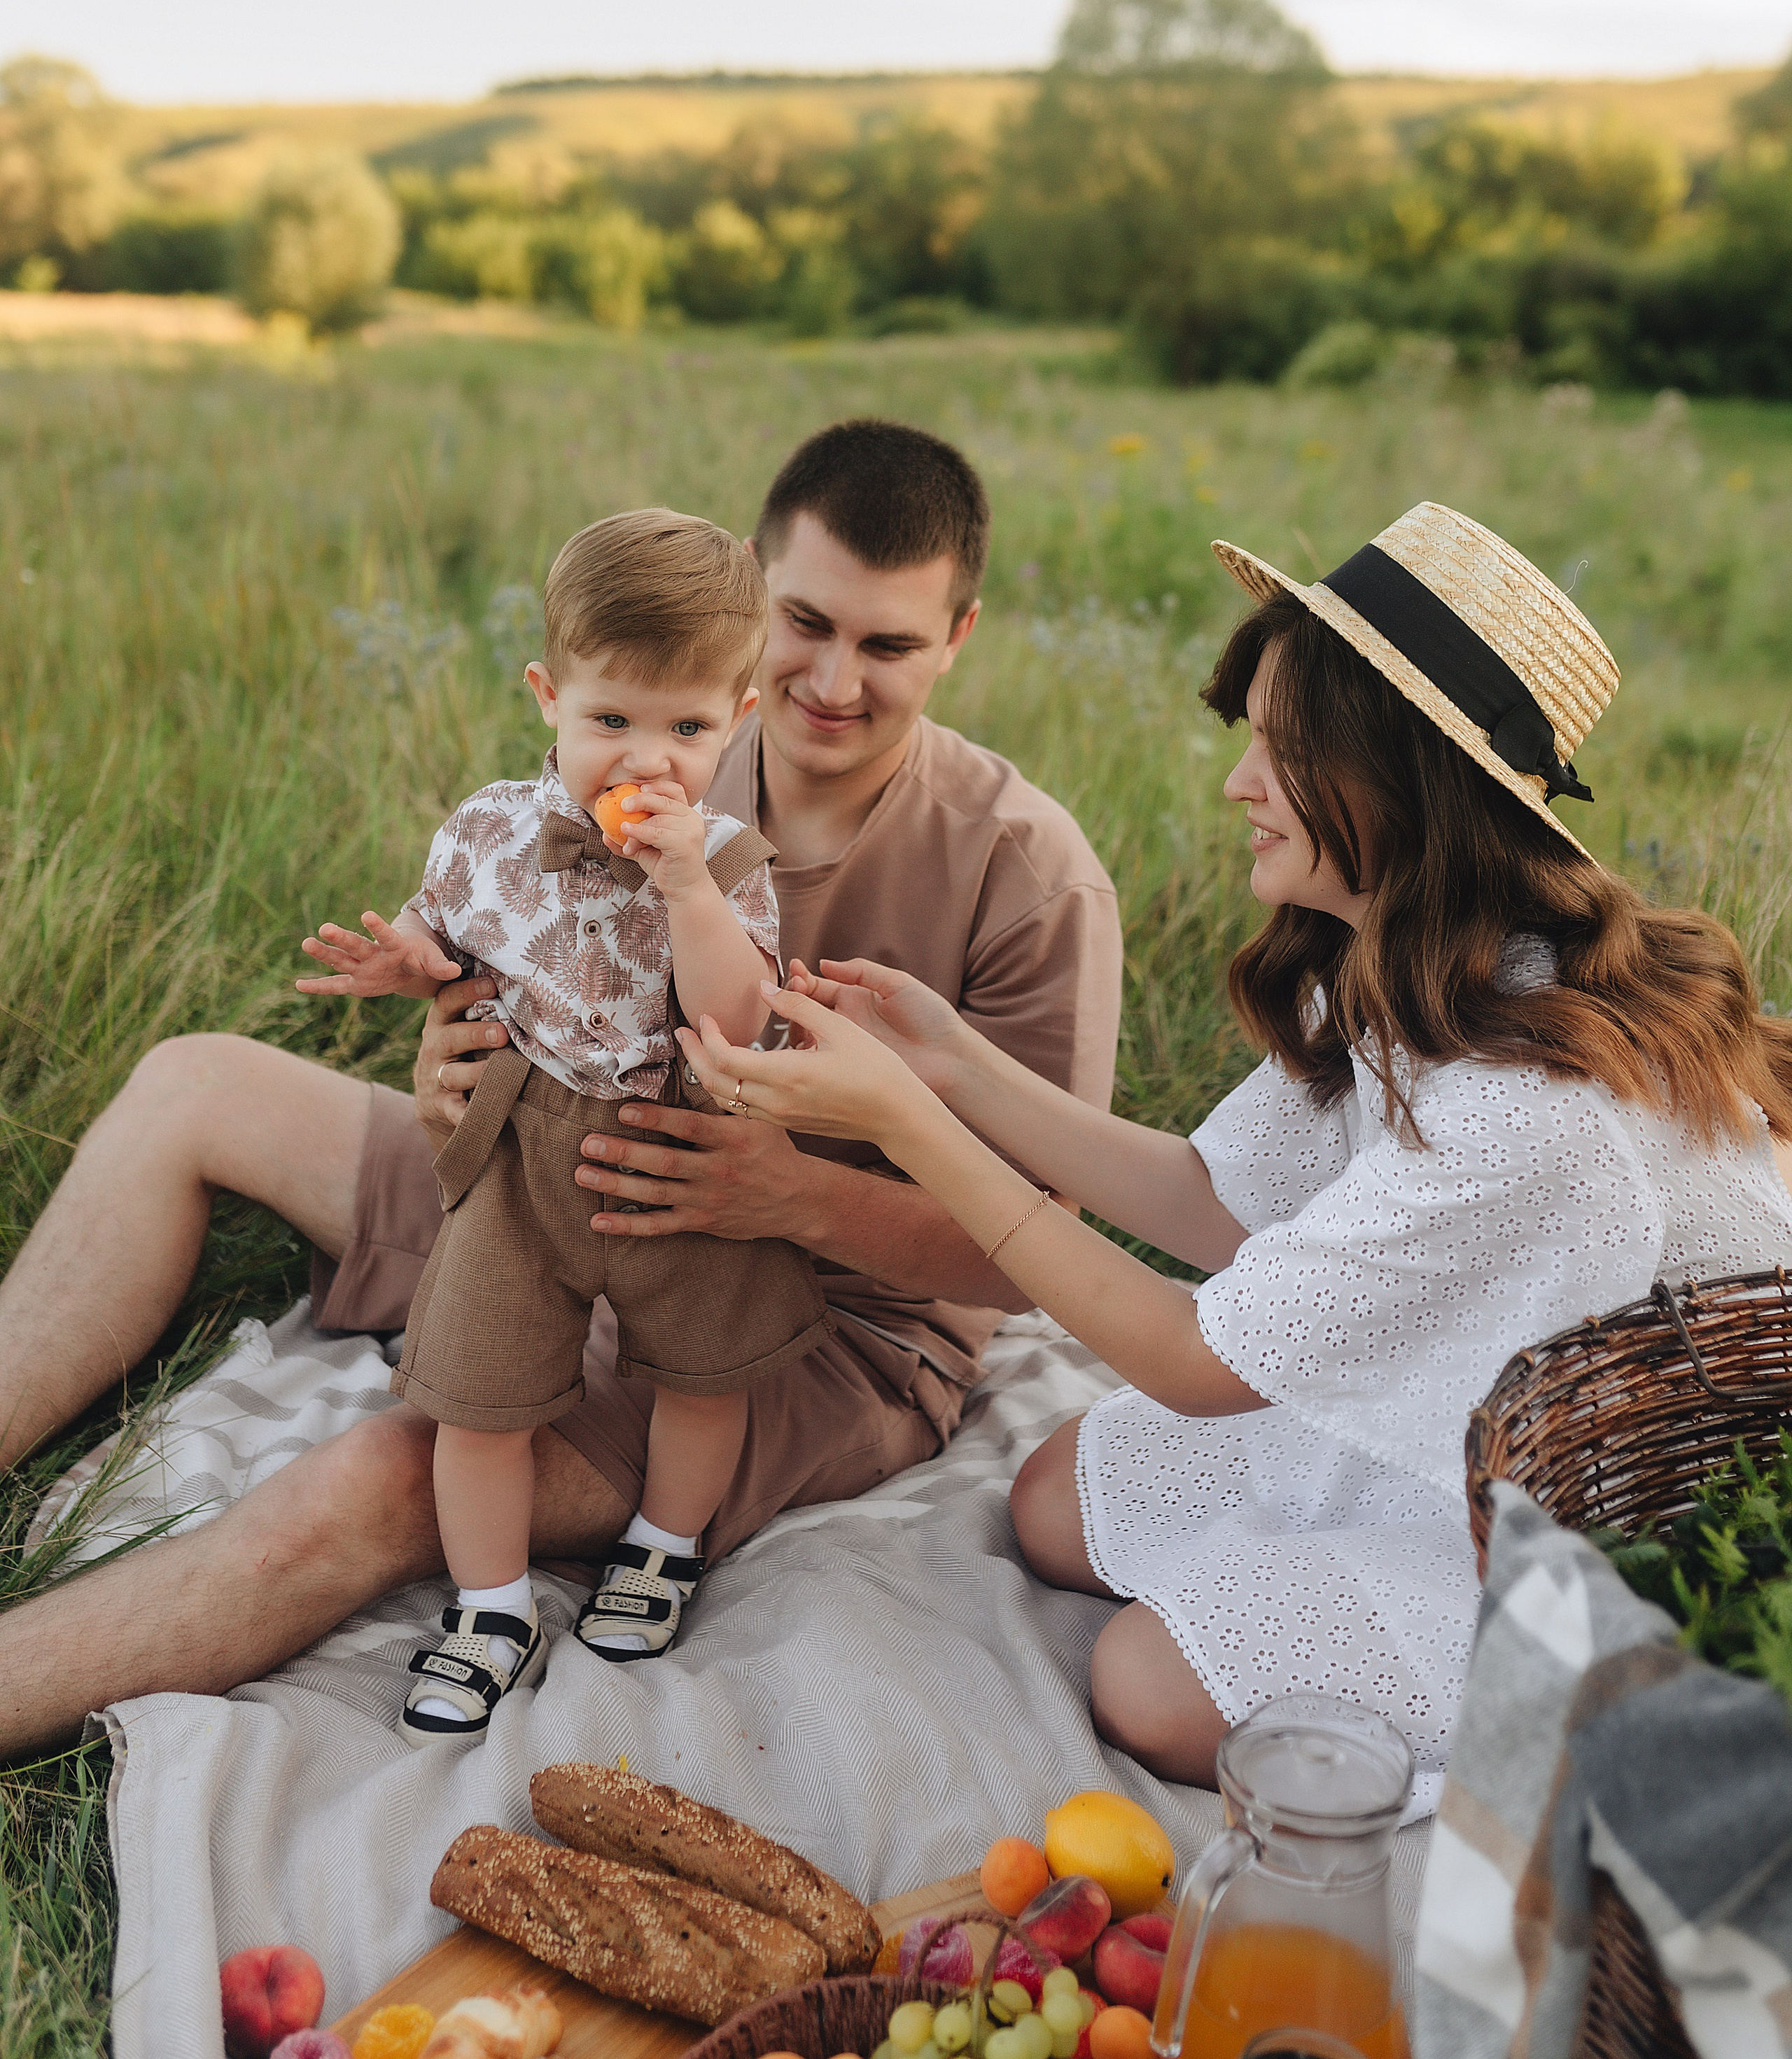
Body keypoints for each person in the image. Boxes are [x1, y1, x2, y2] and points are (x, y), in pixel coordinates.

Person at [0, 419, 1123, 1762]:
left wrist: (795, 1196)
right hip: (541, 1176)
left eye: (889, 644)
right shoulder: (655, 731)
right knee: (193, 1080)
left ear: (959, 637)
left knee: (388, 1474)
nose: (834, 679)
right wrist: (448, 1064)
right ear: (756, 611)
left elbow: (1042, 1257)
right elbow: (502, 958)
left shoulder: (1028, 871)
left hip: (819, 1322)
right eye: (806, 626)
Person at [673, 500, 1792, 1789]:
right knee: (1050, 1499)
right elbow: (1214, 1199)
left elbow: (1199, 1360)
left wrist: (904, 1124)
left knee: (1145, 1686)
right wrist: (955, 1064)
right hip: (1463, 1395)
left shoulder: (1523, 1102)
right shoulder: (1406, 959)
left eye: (1279, 751)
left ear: (1396, 781)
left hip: (1589, 1516)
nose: (1237, 783)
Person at [296, 508, 830, 1742]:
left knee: (703, 1376)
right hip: (523, 1152)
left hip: (675, 1150)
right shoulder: (488, 828)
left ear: (738, 717)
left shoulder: (735, 860)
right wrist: (406, 962)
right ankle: (490, 1606)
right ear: (550, 696)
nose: (647, 757)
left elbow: (739, 1019)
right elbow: (448, 935)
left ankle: (661, 1547)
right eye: (612, 720)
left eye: (688, 727)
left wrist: (688, 884)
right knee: (476, 1395)